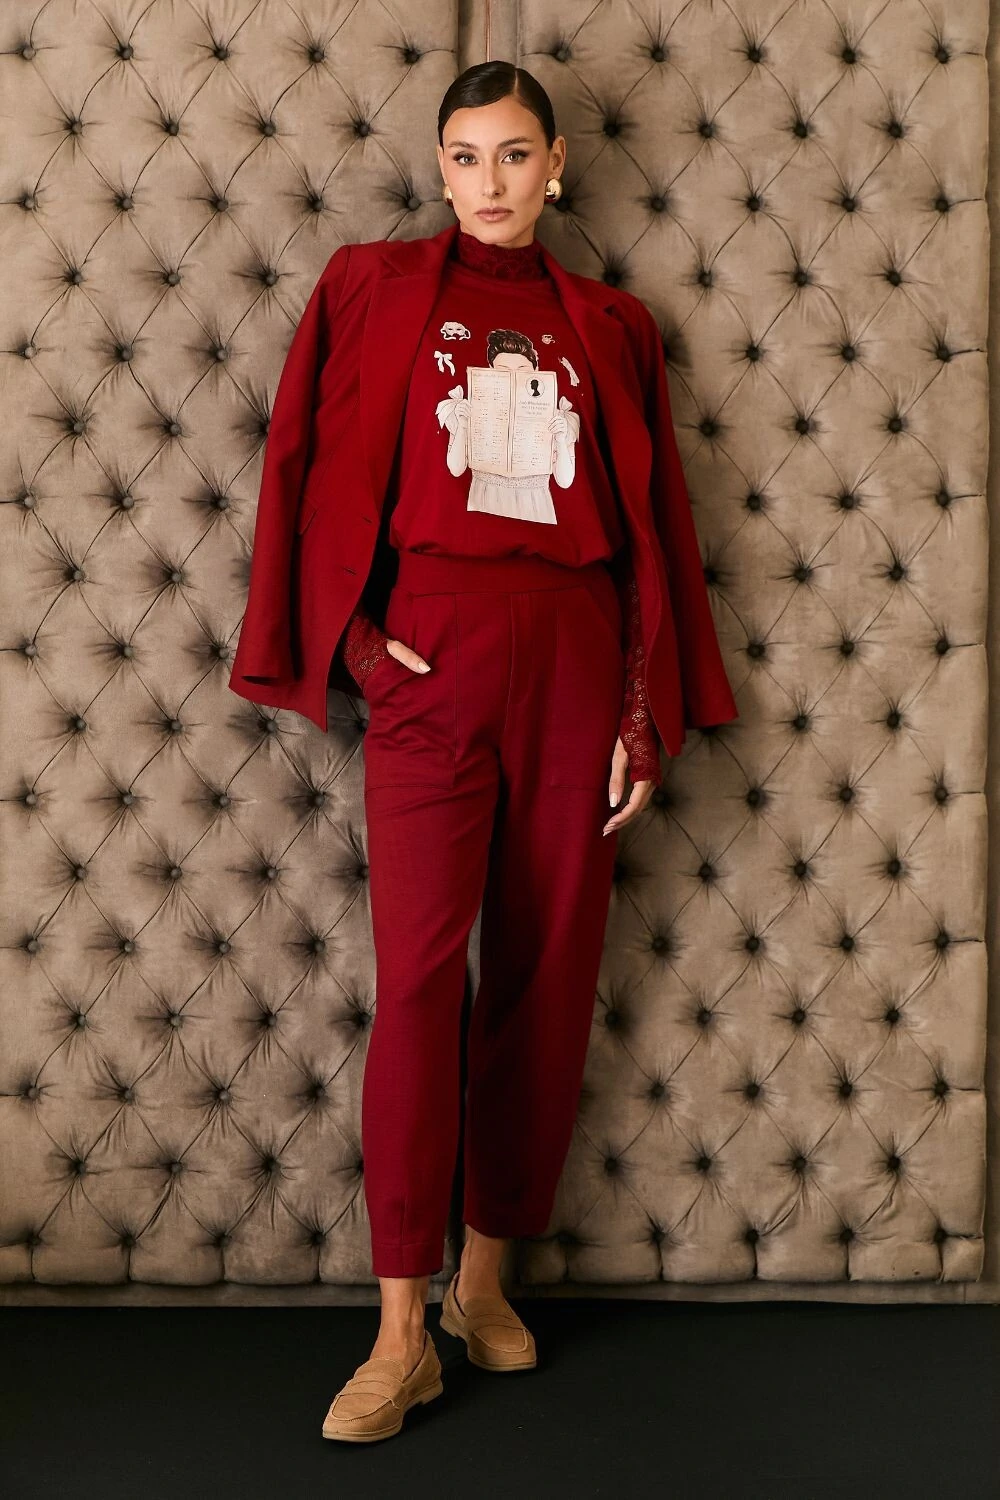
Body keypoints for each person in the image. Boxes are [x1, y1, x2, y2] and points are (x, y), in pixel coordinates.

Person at [228, 60, 739, 1443]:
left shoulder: (613, 325)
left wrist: (640, 709)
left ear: (557, 164)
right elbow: (304, 467)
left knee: (547, 976)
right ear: (441, 167)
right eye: (466, 156)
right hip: (432, 661)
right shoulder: (369, 288)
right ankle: (400, 1333)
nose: (491, 181)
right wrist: (353, 642)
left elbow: (652, 527)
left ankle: (484, 1285)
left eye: (516, 154)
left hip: (574, 657)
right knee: (417, 988)